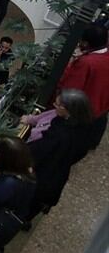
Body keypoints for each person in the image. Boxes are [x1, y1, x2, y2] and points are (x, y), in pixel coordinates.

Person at [25, 89, 93, 217]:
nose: (54, 106)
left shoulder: (59, 134)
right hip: (56, 175)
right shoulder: (84, 126)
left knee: (29, 203)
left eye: (57, 105)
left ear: (67, 110)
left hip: (41, 177)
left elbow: (39, 150)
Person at [57, 24, 109, 150]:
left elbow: (69, 88)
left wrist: (72, 63)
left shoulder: (86, 62)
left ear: (85, 43)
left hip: (80, 113)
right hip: (100, 109)